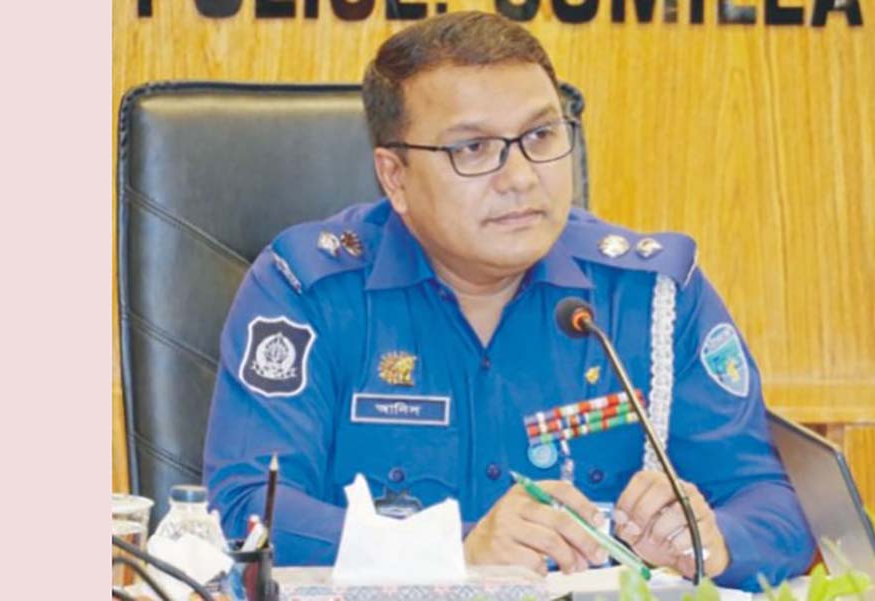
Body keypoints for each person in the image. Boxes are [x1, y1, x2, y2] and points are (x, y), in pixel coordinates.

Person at [203, 10, 814, 591]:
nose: (521, 177)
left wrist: (709, 538)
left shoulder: (649, 298)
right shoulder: (309, 292)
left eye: (540, 136)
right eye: (472, 149)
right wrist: (453, 552)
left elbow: (776, 506)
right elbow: (248, 511)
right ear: (395, 177)